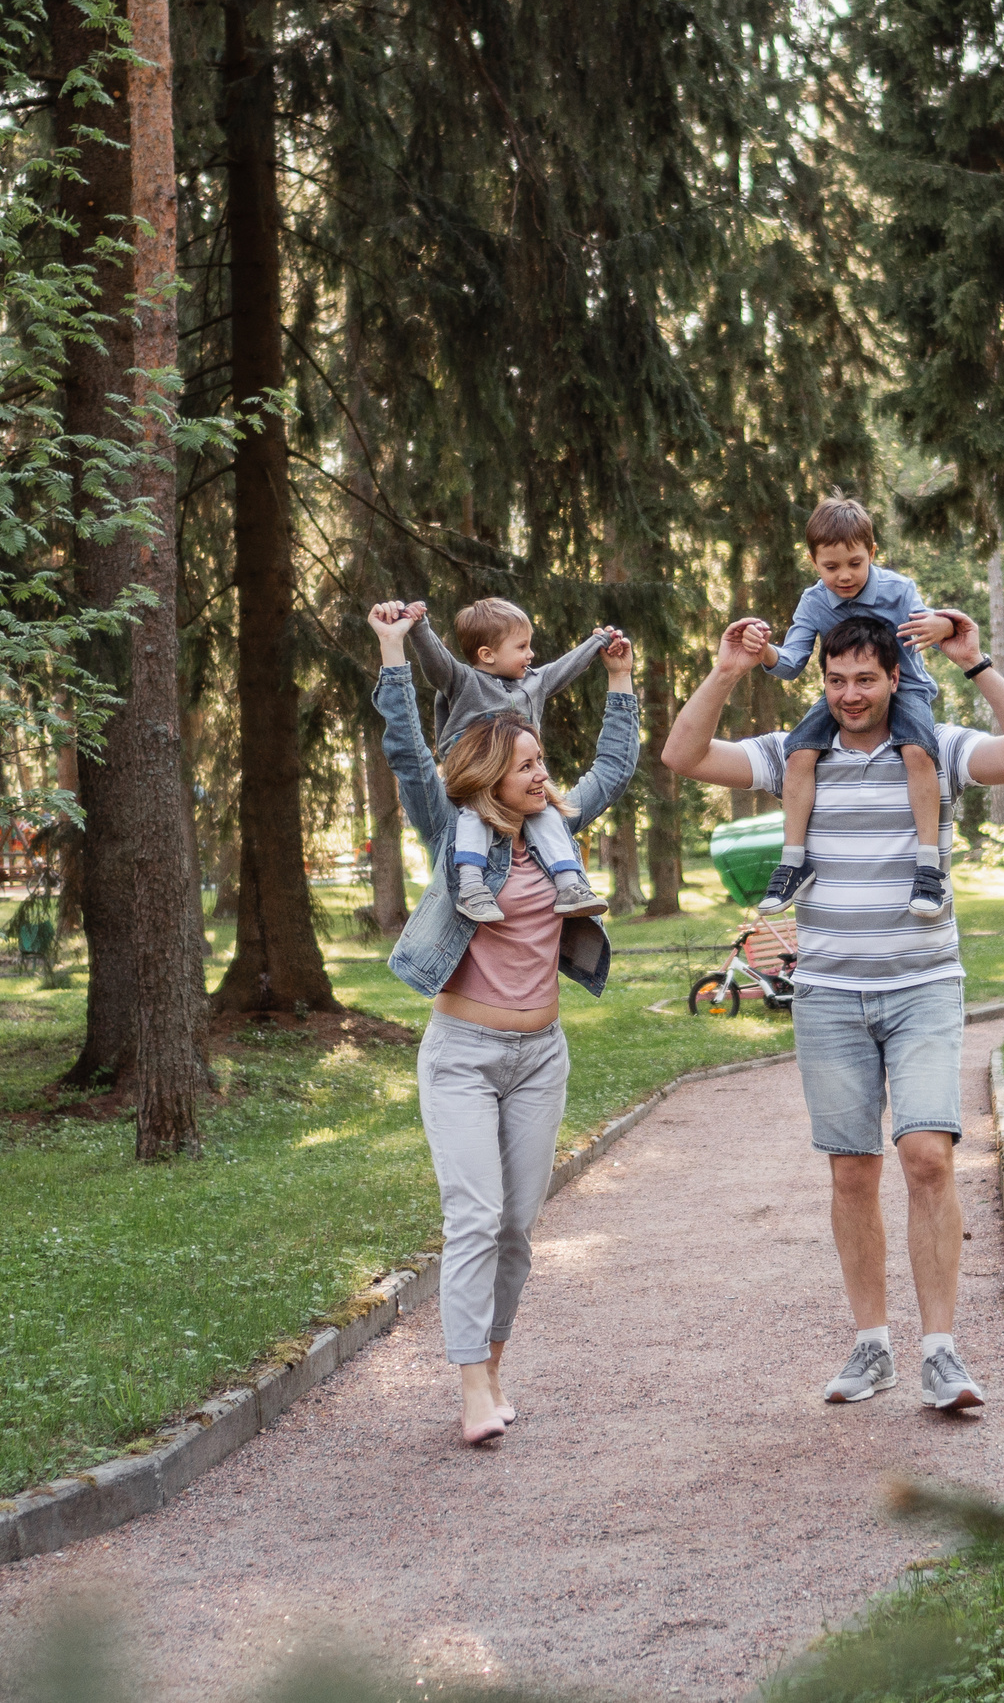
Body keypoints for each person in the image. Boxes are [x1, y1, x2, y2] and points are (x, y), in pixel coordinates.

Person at [662, 609, 1004, 1410]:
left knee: (927, 1156)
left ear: (894, 677)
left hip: (922, 985)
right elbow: (684, 755)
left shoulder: (936, 746)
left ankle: (940, 1351)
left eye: (865, 679)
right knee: (851, 1171)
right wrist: (727, 670)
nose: (850, 694)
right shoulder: (794, 753)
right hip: (829, 995)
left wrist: (977, 663)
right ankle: (872, 1344)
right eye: (836, 680)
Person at [368, 599, 641, 1445]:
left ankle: (490, 1363)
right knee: (475, 1217)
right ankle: (470, 1390)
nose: (541, 771)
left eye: (542, 759)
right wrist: (394, 654)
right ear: (491, 769)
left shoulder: (554, 827)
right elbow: (409, 752)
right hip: (463, 1053)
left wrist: (621, 681)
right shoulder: (451, 830)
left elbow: (614, 767)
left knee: (517, 1227)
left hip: (540, 1056)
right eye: (527, 761)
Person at [757, 497, 953, 921]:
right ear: (813, 561)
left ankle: (928, 865)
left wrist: (945, 625)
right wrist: (765, 651)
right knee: (799, 752)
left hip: (906, 690)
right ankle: (793, 861)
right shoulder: (813, 602)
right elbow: (791, 663)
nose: (844, 575)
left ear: (872, 553)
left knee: (917, 750)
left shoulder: (899, 590)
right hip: (845, 694)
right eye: (831, 567)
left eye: (854, 563)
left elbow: (936, 631)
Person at [401, 596, 620, 922]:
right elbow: (437, 664)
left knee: (547, 815)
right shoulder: (464, 682)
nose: (530, 654)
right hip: (476, 777)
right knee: (475, 815)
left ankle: (569, 886)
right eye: (521, 647)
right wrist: (420, 627)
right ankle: (471, 887)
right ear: (487, 655)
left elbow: (565, 668)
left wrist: (598, 642)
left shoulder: (533, 683)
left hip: (518, 782)